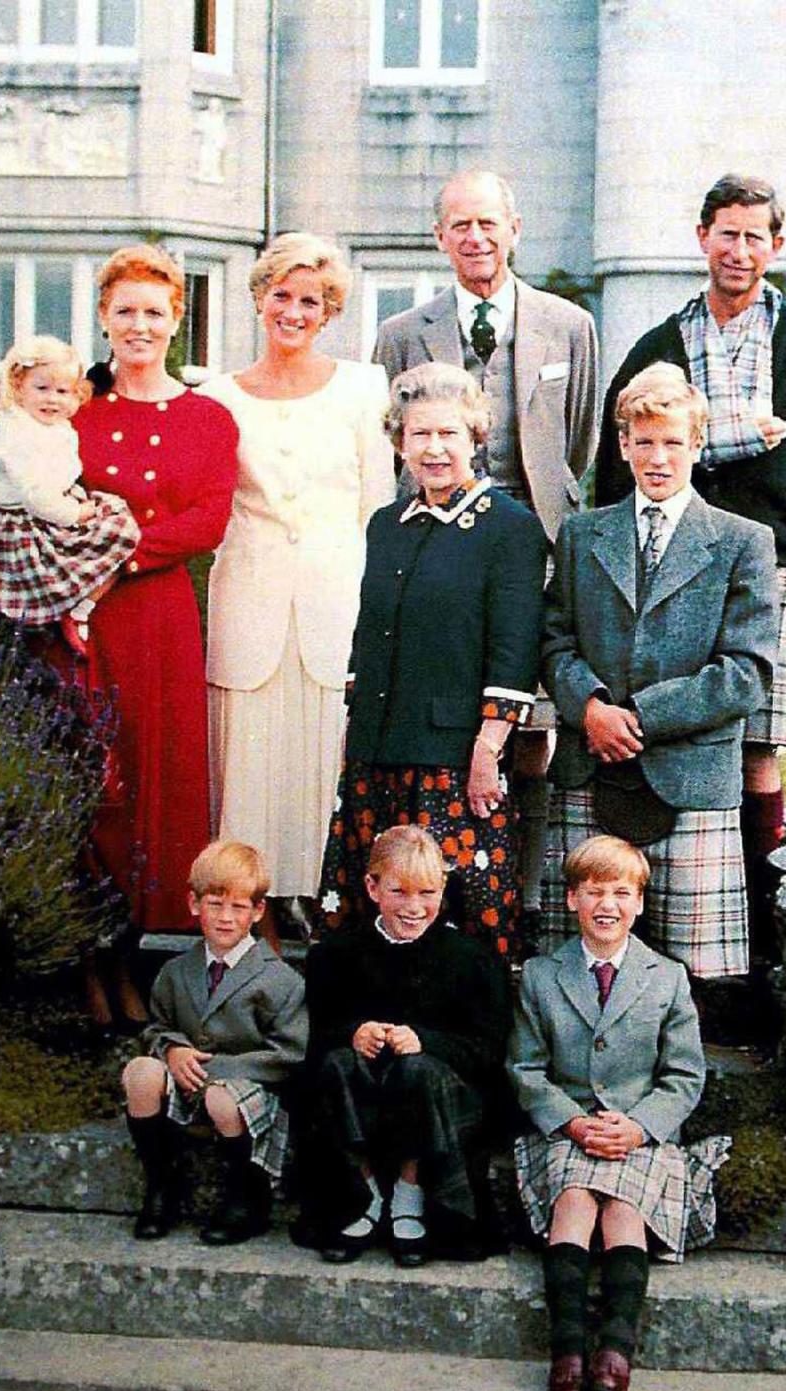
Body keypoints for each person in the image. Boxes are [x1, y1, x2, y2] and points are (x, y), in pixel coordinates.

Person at [594, 174, 786, 920]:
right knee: (675, 736)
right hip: (671, 573)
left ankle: (763, 909)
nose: (739, 250)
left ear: (775, 246)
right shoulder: (662, 346)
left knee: (757, 749)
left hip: (772, 567)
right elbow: (615, 468)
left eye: (754, 236)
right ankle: (671, 910)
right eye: (726, 233)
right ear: (702, 237)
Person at [375, 169, 600, 950]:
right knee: (448, 722)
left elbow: (577, 443)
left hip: (530, 548)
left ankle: (526, 895)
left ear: (515, 228)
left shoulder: (568, 325)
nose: (476, 237)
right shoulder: (405, 331)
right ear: (440, 237)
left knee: (526, 724)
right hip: (439, 555)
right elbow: (397, 441)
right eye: (459, 225)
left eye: (489, 223)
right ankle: (430, 899)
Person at [542, 363, 779, 978]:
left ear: (697, 445)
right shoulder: (581, 534)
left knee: (694, 972)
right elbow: (554, 639)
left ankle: (679, 1071)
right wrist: (591, 707)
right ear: (622, 445)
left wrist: (640, 718)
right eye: (643, 441)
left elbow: (747, 671)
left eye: (673, 441)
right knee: (574, 957)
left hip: (692, 774)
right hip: (589, 769)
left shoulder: (742, 541)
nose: (657, 457)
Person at [317, 361, 547, 963]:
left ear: (476, 438)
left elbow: (515, 647)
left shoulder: (510, 528)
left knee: (458, 910)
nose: (435, 448)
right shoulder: (385, 526)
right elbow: (370, 635)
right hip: (378, 747)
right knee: (373, 908)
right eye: (420, 434)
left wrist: (488, 747)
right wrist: (353, 730)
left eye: (449, 434)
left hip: (454, 755)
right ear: (399, 442)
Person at [203, 233, 394, 939]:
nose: (293, 310)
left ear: (329, 311)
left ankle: (320, 899)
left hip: (333, 602)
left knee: (322, 760)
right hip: (247, 600)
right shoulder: (218, 396)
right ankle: (246, 906)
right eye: (280, 295)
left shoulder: (361, 387)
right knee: (247, 761)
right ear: (258, 299)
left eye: (309, 300)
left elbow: (377, 510)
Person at [74, 244, 239, 1028]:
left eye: (154, 311)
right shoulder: (73, 410)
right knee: (92, 780)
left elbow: (207, 516)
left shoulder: (206, 416)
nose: (139, 325)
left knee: (160, 781)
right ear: (104, 319)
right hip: (83, 617)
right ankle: (88, 962)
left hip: (161, 617)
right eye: (125, 311)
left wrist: (123, 552)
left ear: (177, 320)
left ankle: (139, 957)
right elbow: (16, 492)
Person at [509, 836, 721, 1391]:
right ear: (573, 898)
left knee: (625, 1209)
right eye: (595, 891)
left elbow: (684, 1076)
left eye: (621, 893)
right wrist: (572, 1124)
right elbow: (526, 1069)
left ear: (641, 903)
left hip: (640, 1134)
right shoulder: (541, 975)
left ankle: (616, 1349)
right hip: (568, 1128)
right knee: (575, 1199)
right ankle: (569, 1349)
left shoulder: (666, 977)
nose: (608, 904)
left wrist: (640, 1126)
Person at [303, 825, 509, 1266]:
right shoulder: (335, 954)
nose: (414, 907)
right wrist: (352, 1033)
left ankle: (410, 1193)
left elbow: (489, 1050)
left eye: (427, 892)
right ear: (372, 888)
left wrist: (426, 1041)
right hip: (360, 1096)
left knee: (417, 1069)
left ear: (442, 890)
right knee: (338, 1061)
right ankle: (366, 1193)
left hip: (440, 1097)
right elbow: (315, 1035)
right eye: (399, 891)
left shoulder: (473, 959)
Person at [121, 840, 307, 1245]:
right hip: (189, 1086)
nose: (225, 918)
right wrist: (173, 1050)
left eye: (239, 907)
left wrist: (218, 1070)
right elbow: (155, 1027)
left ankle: (247, 1195)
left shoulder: (281, 980)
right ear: (193, 903)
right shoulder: (175, 971)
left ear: (258, 912)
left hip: (248, 1094)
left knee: (222, 1098)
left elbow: (290, 1055)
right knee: (140, 1073)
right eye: (214, 904)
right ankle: (161, 1186)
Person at [0, 335, 139, 656]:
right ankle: (68, 609)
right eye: (42, 389)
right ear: (19, 385)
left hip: (53, 505)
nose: (52, 399)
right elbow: (36, 494)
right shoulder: (16, 429)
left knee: (121, 522)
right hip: (25, 522)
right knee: (118, 529)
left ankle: (80, 607)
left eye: (63, 392)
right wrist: (77, 514)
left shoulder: (55, 424)